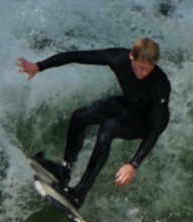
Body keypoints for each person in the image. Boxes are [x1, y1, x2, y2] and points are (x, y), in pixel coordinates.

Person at [16, 39, 171, 209]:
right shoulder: (118, 58)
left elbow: (156, 129)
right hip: (129, 104)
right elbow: (76, 56)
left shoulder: (160, 84)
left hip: (146, 122)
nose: (143, 73)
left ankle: (79, 194)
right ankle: (65, 171)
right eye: (140, 67)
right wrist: (39, 66)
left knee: (108, 129)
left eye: (148, 69)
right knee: (80, 116)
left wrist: (133, 164)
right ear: (131, 57)